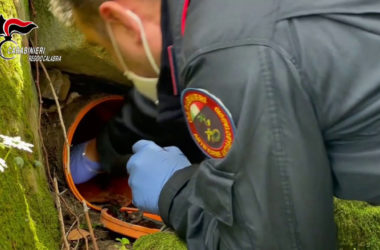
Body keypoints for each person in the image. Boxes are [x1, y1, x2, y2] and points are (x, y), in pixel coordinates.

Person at [58, 0, 380, 249]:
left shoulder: (227, 54)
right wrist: (103, 150)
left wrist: (175, 191)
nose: (116, 62)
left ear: (122, 22)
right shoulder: (213, 19)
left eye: (104, 47)